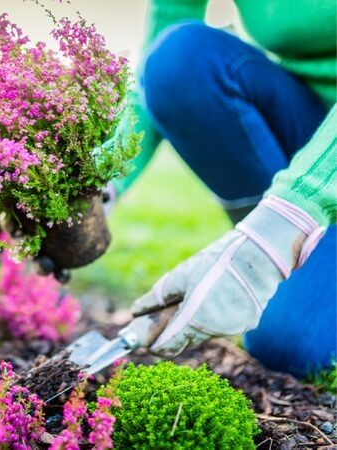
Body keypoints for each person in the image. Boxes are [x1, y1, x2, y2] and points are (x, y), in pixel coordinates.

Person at [100, 1, 335, 378]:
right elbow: (164, 42)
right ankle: (280, 247)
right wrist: (101, 183)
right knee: (181, 60)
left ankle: (283, 238)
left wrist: (286, 219)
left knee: (292, 345)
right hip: (308, 122)